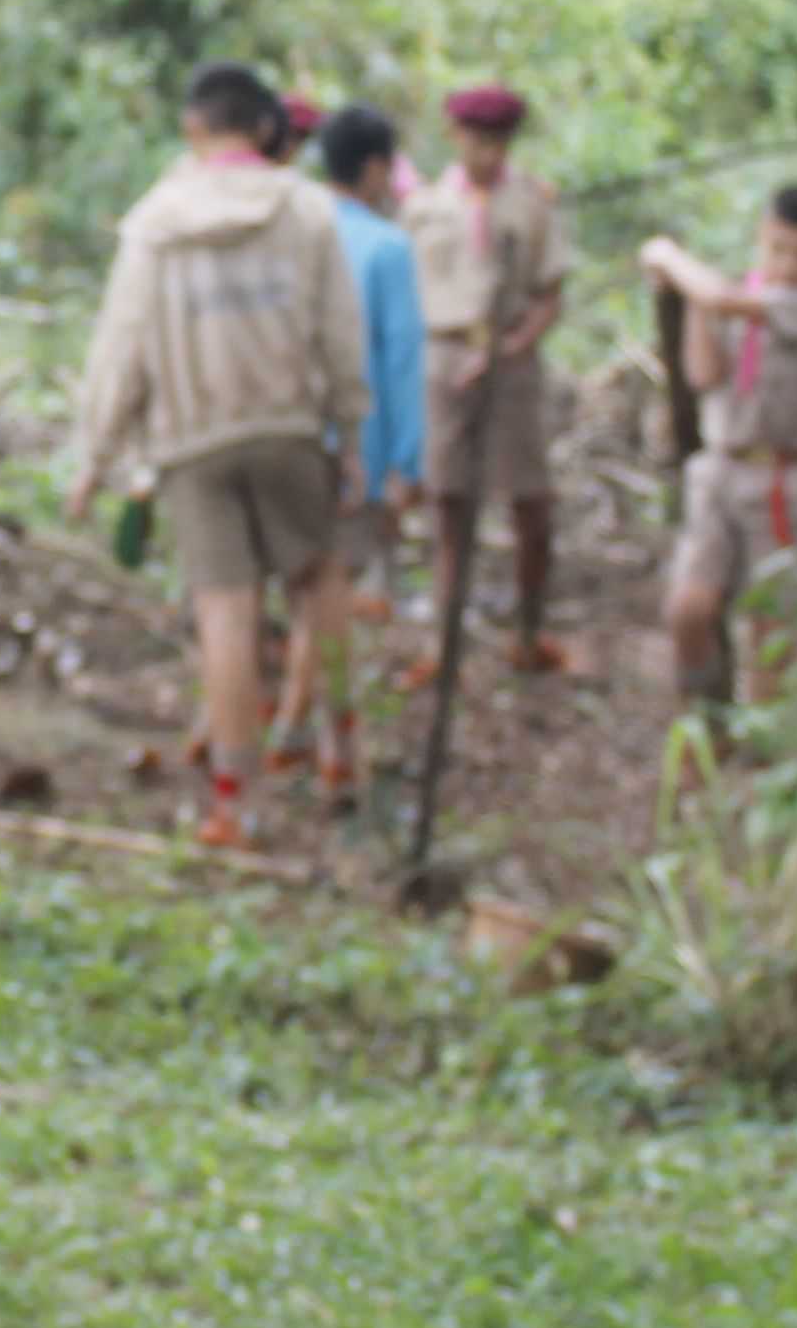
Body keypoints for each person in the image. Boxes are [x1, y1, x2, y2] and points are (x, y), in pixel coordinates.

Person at [65, 60, 372, 852]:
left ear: (192, 128)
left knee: (225, 612)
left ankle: (238, 803)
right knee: (319, 582)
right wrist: (352, 434)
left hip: (192, 438)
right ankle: (340, 752)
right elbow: (340, 332)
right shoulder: (305, 210)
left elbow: (122, 346)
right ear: (266, 128)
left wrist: (96, 455)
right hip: (288, 425)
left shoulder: (154, 222)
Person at [642, 185, 797, 722]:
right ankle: (706, 725)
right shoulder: (744, 295)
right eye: (778, 249)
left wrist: (668, 257)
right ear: (761, 238)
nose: (790, 264)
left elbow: (717, 298)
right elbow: (704, 373)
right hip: (720, 470)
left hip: (783, 482)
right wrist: (694, 306)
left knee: (771, 628)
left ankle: (765, 745)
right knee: (689, 610)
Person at [266, 104, 424, 788]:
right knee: (329, 590)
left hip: (277, 430)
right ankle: (316, 734)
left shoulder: (286, 232)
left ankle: (286, 728)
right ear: (377, 169)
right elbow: (403, 360)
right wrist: (408, 462)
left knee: (295, 592)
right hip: (355, 444)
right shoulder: (386, 249)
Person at [406, 83, 576, 674]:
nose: (488, 153)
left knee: (531, 503)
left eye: (499, 142)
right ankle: (443, 643)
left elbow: (550, 294)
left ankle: (529, 632)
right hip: (446, 358)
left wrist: (512, 346)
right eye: (477, 140)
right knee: (448, 504)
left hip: (512, 359)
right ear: (455, 137)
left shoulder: (531, 203)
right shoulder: (425, 208)